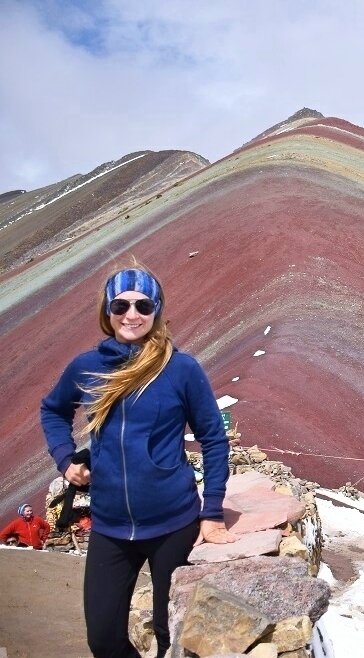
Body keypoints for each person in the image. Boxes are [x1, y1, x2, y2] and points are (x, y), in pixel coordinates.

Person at [40, 266, 238, 658]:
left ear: (157, 311)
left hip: (173, 524)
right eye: (121, 305)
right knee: (103, 639)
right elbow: (52, 411)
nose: (132, 314)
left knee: (171, 636)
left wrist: (212, 511)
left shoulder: (180, 369)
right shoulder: (86, 367)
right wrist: (65, 459)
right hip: (110, 525)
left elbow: (213, 439)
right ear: (107, 311)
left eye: (143, 305)